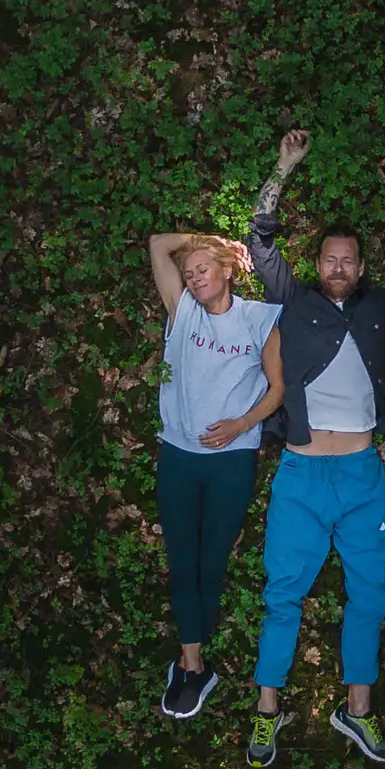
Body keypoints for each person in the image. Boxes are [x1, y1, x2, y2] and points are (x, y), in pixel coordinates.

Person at [242, 127, 385, 767]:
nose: (337, 267)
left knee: (370, 591)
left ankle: (357, 711)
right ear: (319, 265)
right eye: (329, 258)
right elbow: (259, 241)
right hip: (302, 476)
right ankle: (265, 713)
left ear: (361, 267)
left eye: (347, 260)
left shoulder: (383, 308)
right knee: (283, 593)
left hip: (362, 475)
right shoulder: (293, 299)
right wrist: (283, 168)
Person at [144, 228, 284, 719]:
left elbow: (277, 388)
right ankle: (192, 664)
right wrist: (204, 238)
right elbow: (158, 244)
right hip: (179, 456)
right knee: (182, 560)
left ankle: (196, 663)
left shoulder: (257, 319)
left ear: (228, 270)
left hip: (231, 461)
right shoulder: (182, 314)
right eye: (189, 273)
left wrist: (242, 424)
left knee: (211, 562)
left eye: (203, 267)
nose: (194, 277)